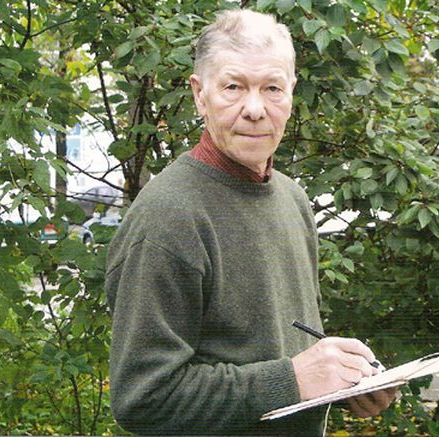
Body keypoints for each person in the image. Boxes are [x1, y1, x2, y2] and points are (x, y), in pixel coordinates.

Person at [106, 9, 395, 435]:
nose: (255, 109)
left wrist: (345, 381)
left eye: (272, 88)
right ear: (199, 94)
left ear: (291, 92)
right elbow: (143, 399)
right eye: (233, 87)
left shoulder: (292, 199)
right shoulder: (168, 217)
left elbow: (281, 355)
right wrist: (293, 380)